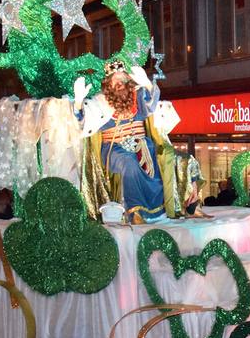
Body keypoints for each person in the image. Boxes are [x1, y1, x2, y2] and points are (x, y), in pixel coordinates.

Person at [80, 59, 188, 224]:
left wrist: (148, 85)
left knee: (158, 160)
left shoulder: (137, 95)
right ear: (108, 83)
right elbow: (82, 121)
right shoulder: (99, 102)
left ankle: (162, 210)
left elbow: (151, 105)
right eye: (115, 80)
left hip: (142, 145)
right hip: (114, 149)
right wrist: (79, 102)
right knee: (129, 163)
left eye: (122, 79)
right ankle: (134, 211)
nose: (120, 83)